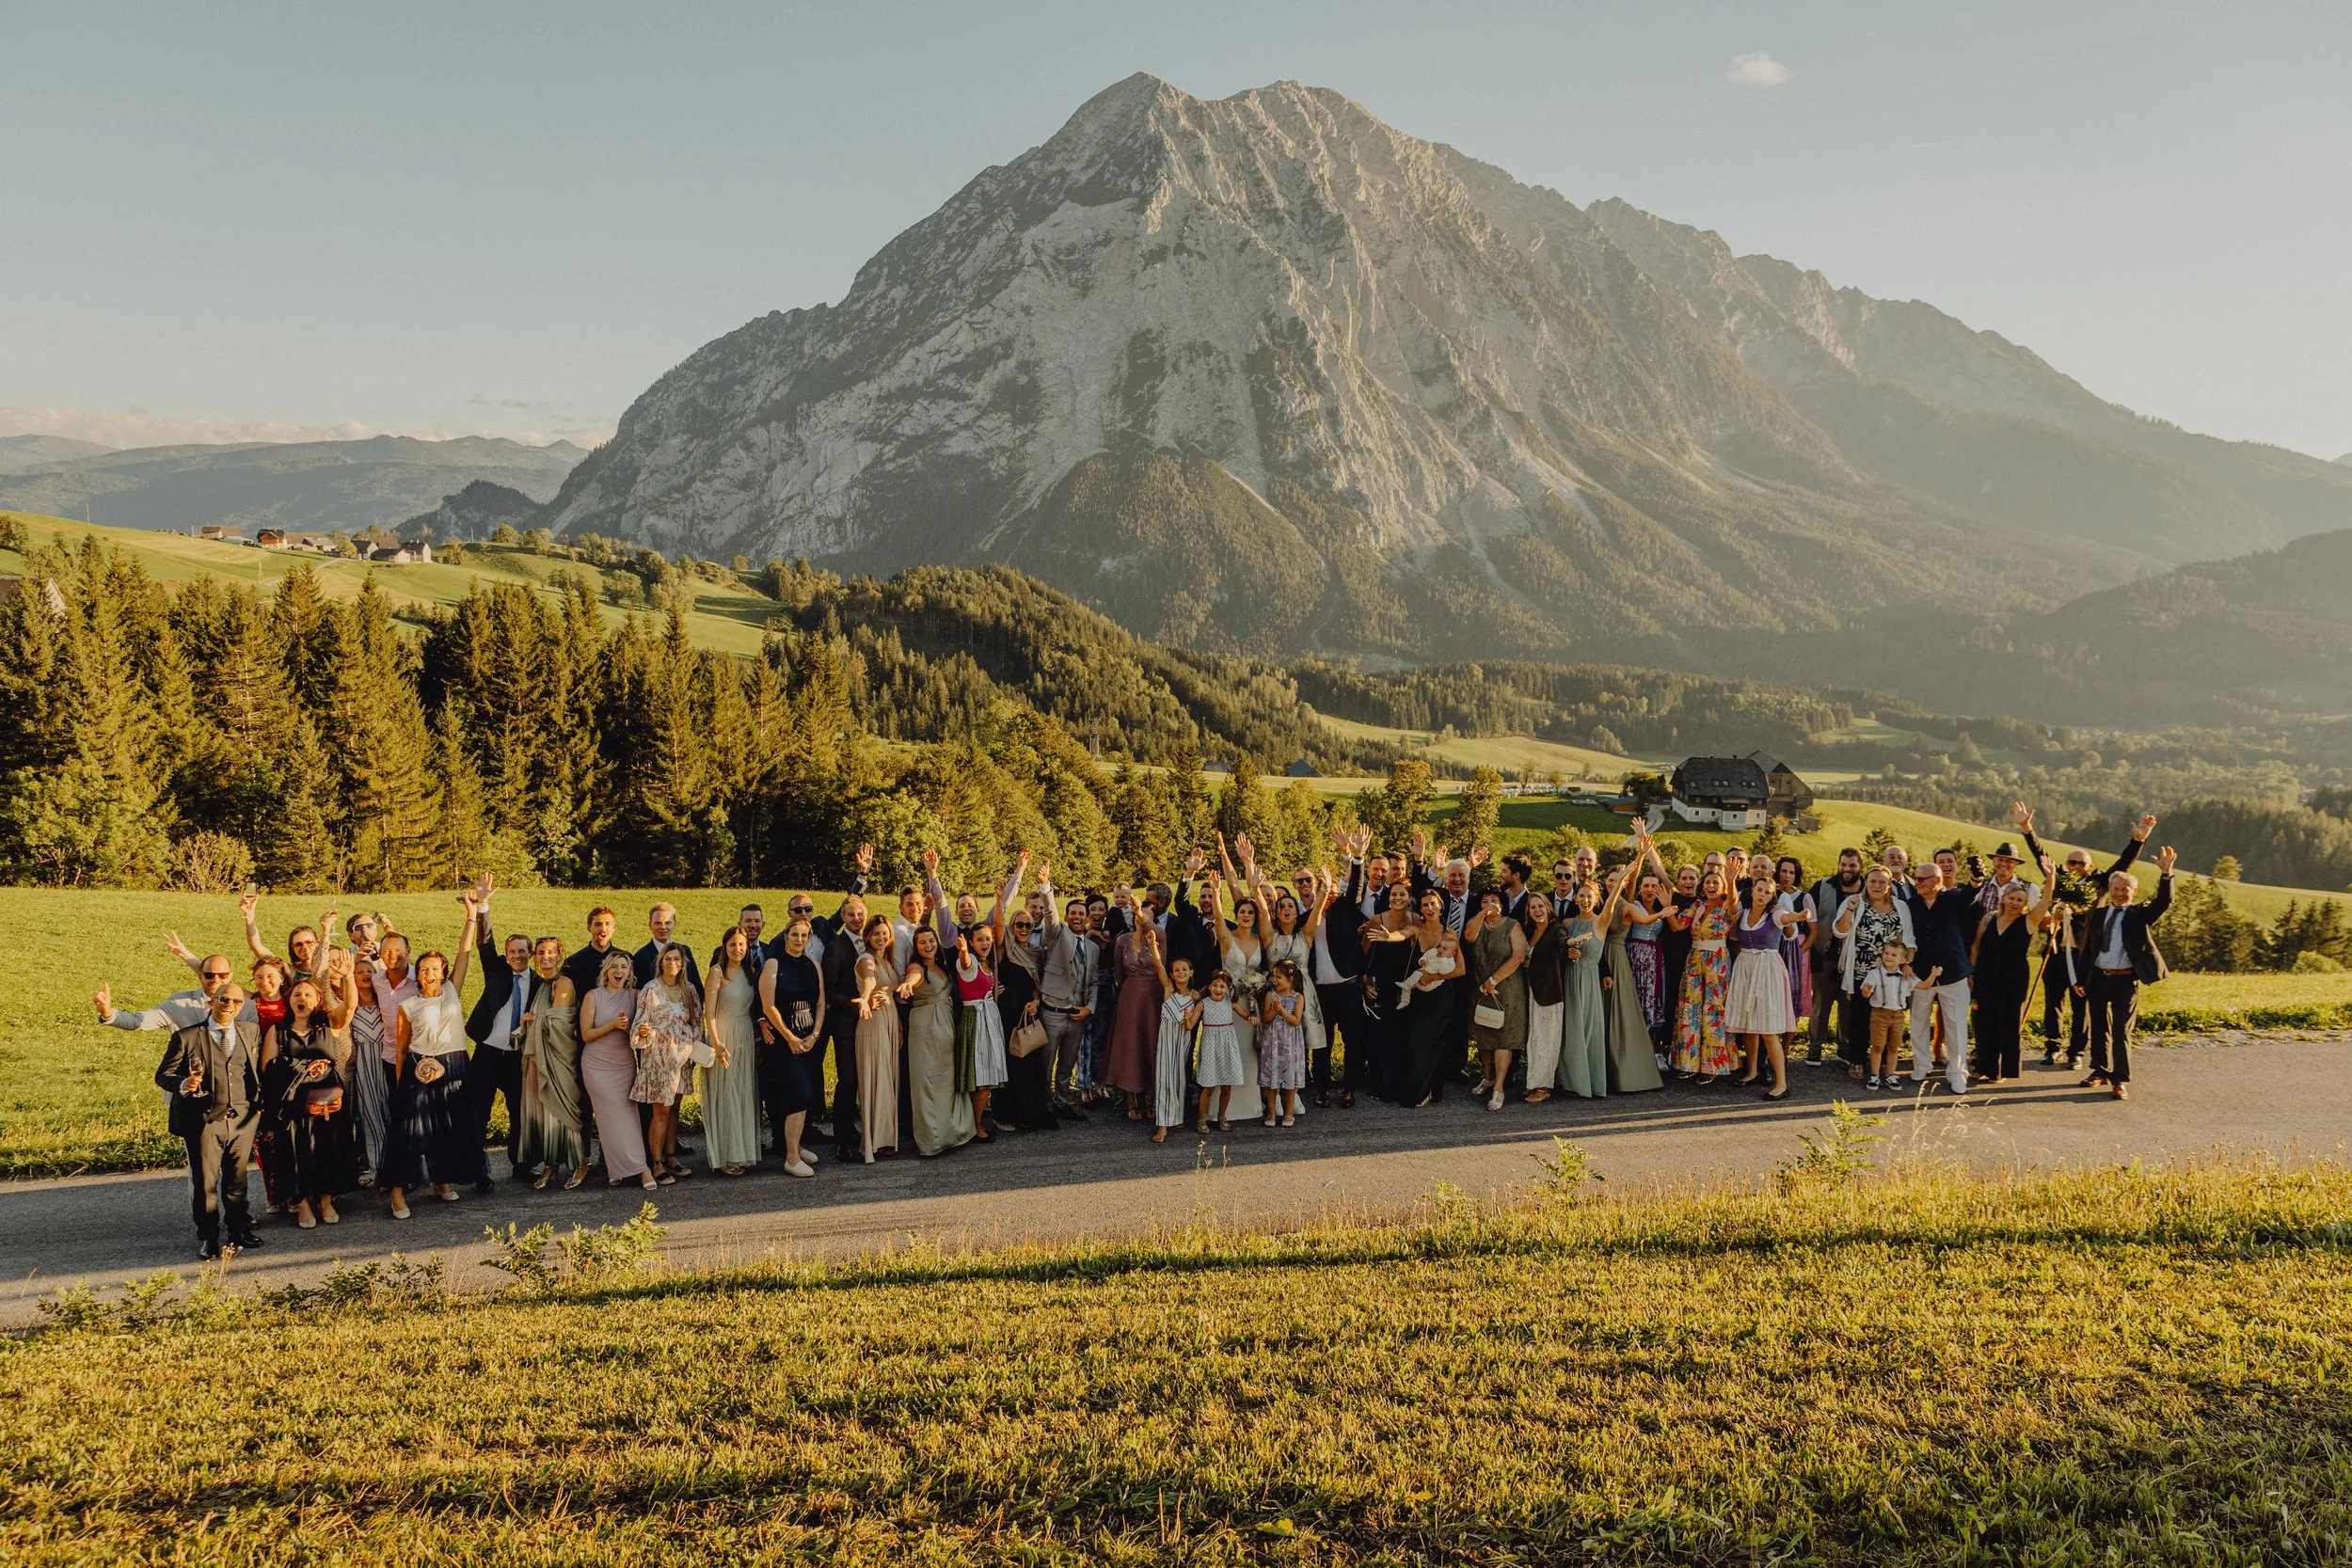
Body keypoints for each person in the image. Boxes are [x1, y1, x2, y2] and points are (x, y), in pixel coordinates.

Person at [2013, 803, 2153, 1069]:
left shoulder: (2099, 884)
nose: (2076, 866)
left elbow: (2123, 865)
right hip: (2055, 951)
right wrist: (2026, 828)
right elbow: (2039, 854)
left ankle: (2076, 1051)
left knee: (2081, 1005)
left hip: (2084, 954)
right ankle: (2052, 1046)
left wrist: (2138, 841)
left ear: (2090, 867)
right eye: (2071, 862)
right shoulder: (2059, 880)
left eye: (2081, 863)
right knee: (2053, 1002)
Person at [155, 981, 263, 1260]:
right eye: (224, 1000)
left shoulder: (250, 1032)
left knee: (237, 1179)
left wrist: (255, 1109)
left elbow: (249, 1072)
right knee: (205, 1182)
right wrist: (184, 1084)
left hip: (241, 1118)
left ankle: (239, 1229)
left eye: (237, 1002)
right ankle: (209, 1236)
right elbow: (162, 1075)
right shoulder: (187, 1037)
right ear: (212, 1002)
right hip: (203, 1120)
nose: (230, 1006)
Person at [389, 896, 482, 1219]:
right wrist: (402, 1083)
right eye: (424, 969)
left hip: (455, 1063)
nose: (430, 973)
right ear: (419, 974)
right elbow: (401, 1048)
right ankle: (398, 1193)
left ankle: (441, 1182)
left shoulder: (452, 991)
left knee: (448, 1127)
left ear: (444, 973)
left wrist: (471, 916)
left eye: (435, 968)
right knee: (412, 1130)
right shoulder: (409, 1006)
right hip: (420, 1068)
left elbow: (464, 953)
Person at [2078, 846, 2177, 1101]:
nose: (2120, 894)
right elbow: (2088, 948)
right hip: (2099, 977)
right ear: (2110, 890)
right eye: (2117, 889)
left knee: (2122, 1031)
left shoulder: (2139, 914)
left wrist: (2166, 874)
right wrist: (2080, 979)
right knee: (2099, 1027)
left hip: (2125, 979)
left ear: (2134, 893)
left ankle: (2119, 1079)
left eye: (2125, 890)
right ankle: (2099, 1070)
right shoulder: (2098, 914)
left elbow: (2164, 902)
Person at [259, 974, 358, 1227]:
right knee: (294, 1152)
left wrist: (347, 977)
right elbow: (267, 1067)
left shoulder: (327, 1025)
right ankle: (302, 1203)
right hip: (294, 1103)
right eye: (297, 995)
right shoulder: (278, 1032)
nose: (302, 999)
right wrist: (304, 1066)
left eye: (308, 995)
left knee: (328, 1150)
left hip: (327, 1102)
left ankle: (326, 1201)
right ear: (289, 1000)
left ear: (317, 1001)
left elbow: (349, 1007)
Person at [462, 874, 531, 1191]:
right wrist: (484, 905)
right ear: (507, 953)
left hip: (517, 1056)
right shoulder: (496, 968)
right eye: (513, 951)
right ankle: (478, 1171)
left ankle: (520, 1165)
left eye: (523, 951)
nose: (518, 956)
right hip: (487, 1052)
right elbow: (484, 941)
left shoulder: (540, 983)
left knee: (519, 1112)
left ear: (530, 954)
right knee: (478, 1113)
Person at [515, 936, 589, 1191]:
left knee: (562, 1108)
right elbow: (542, 1019)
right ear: (535, 957)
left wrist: (530, 1020)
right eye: (540, 952)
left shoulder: (563, 983)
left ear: (559, 955)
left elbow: (556, 1023)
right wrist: (531, 1019)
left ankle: (580, 1161)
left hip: (558, 1058)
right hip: (539, 1058)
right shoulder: (541, 985)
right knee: (544, 1111)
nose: (545, 956)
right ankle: (551, 1162)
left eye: (551, 952)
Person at [579, 950, 656, 1190]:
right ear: (606, 971)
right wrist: (612, 1025)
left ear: (629, 972)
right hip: (596, 1065)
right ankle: (638, 1169)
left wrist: (639, 1031)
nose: (618, 971)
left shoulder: (635, 996)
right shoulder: (593, 996)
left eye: (623, 967)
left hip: (624, 1063)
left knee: (627, 1116)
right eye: (614, 967)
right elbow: (586, 1035)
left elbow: (644, 1028)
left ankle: (626, 1168)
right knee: (608, 1118)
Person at [755, 916, 825, 1177]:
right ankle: (792, 1158)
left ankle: (795, 1145)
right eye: (794, 935)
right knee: (798, 1095)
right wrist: (790, 1038)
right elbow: (768, 1006)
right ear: (785, 937)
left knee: (806, 1096)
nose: (799, 940)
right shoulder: (773, 964)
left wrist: (815, 1034)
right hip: (785, 1041)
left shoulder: (813, 965)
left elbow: (820, 1003)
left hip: (809, 1038)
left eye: (803, 936)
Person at [630, 943, 703, 1185]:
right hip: (659, 1058)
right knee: (660, 1111)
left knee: (675, 1109)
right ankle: (657, 1162)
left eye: (677, 959)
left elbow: (696, 1022)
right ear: (661, 962)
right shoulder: (650, 990)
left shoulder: (689, 989)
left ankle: (671, 1156)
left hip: (681, 1059)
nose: (672, 963)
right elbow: (640, 1021)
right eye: (668, 958)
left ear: (682, 964)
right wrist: (642, 1032)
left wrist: (692, 1044)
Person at [1661, 858, 1739, 1084]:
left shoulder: (1727, 906)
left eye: (1716, 882)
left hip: (1717, 963)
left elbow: (1734, 906)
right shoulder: (1697, 906)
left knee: (1713, 1013)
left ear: (1723, 886)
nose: (1711, 886)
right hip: (1694, 962)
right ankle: (1690, 1062)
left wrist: (1732, 882)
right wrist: (1667, 908)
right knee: (1691, 1011)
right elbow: (1677, 926)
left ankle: (1712, 1065)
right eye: (1708, 883)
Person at [898, 925, 972, 1156]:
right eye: (922, 942)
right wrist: (907, 984)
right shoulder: (916, 967)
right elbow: (913, 978)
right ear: (916, 947)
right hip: (925, 1030)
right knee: (927, 1084)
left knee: (946, 1083)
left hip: (946, 1029)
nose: (928, 946)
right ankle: (932, 1141)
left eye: (931, 941)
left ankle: (953, 1133)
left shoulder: (942, 966)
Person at [1904, 864, 1979, 1096]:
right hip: (1921, 973)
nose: (1917, 883)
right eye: (1915, 879)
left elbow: (1971, 893)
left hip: (1953, 972)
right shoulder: (1911, 905)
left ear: (1936, 880)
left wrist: (1976, 878)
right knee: (1918, 1022)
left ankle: (1957, 1074)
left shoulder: (1952, 898)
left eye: (1922, 879)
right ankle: (1922, 1065)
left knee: (1956, 1026)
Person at [1725, 874, 1801, 1100]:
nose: (1762, 894)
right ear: (1753, 891)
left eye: (1767, 892)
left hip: (1767, 968)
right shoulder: (1744, 912)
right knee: (1749, 1026)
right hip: (1746, 966)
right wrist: (1730, 881)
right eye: (1760, 890)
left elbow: (1786, 919)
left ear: (1772, 896)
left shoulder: (1775, 913)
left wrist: (1798, 916)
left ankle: (1781, 1083)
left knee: (1768, 1030)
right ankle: (1752, 1071)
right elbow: (1731, 908)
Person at [1391, 890, 1464, 1108]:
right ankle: (1417, 1087)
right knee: (1415, 1043)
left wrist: (1435, 976)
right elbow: (1400, 935)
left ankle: (1428, 1091)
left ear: (1440, 906)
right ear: (1420, 909)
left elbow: (1460, 969)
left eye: (1433, 904)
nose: (1429, 908)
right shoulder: (1415, 929)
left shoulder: (1450, 934)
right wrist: (1387, 936)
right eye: (1425, 905)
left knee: (1432, 1044)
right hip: (1418, 997)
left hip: (1442, 998)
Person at [699, 926, 763, 1175]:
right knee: (726, 1094)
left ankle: (741, 1151)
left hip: (745, 1034)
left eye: (742, 945)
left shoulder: (750, 972)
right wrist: (715, 1041)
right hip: (723, 1034)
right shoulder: (717, 973)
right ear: (725, 947)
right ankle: (725, 1156)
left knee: (742, 1092)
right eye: (733, 945)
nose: (738, 949)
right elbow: (709, 1012)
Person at [1104, 885, 1166, 1124]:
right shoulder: (1123, 941)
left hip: (1154, 995)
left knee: (1151, 1044)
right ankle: (1131, 1101)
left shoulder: (1159, 937)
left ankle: (1150, 1100)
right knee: (1130, 1046)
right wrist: (1125, 993)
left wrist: (1140, 911)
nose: (1142, 921)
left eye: (1147, 917)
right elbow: (1119, 972)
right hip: (1129, 995)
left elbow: (1163, 966)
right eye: (1140, 917)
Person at [1464, 888, 1529, 1111]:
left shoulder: (1512, 925)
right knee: (1484, 1035)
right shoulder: (1476, 922)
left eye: (1494, 900)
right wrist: (1482, 915)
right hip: (1480, 987)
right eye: (1485, 901)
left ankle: (1499, 1087)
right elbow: (1469, 937)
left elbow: (1519, 956)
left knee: (1504, 1038)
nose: (1490, 904)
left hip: (1507, 987)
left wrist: (1494, 979)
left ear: (1503, 905)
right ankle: (1487, 1077)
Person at [1970, 879, 2040, 1085]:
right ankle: (1985, 1066)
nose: (2015, 903)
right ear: (2003, 898)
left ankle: (2002, 1070)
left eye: (2020, 900)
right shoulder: (1988, 919)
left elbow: (2045, 903)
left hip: (2013, 979)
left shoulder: (2027, 922)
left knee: (2008, 1024)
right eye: (2011, 898)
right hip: (1986, 975)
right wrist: (1971, 973)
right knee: (1985, 1022)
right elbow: (1975, 946)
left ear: (2025, 904)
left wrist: (2051, 879)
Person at [1804, 849, 1866, 1069]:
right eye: (1843, 864)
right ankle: (1815, 1047)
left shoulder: (1868, 890)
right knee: (1820, 1005)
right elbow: (1808, 916)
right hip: (1824, 955)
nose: (1847, 869)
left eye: (1852, 865)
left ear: (1860, 866)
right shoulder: (1823, 885)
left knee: (1847, 1004)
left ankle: (1844, 1047)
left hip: (1853, 959)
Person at [1140, 927, 1199, 1144]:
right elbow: (1157, 965)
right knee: (1165, 1079)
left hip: (1182, 1040)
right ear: (1172, 974)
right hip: (1166, 1042)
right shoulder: (1168, 990)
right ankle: (1163, 1126)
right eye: (1177, 970)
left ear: (1191, 972)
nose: (1181, 972)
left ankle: (1177, 1117)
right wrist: (1153, 945)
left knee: (1179, 1080)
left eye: (1185, 969)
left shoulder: (1195, 996)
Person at [852, 916, 904, 1162]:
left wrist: (900, 1025)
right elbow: (870, 978)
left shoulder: (888, 958)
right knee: (878, 1078)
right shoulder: (866, 959)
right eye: (876, 934)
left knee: (889, 1077)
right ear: (867, 937)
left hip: (890, 1019)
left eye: (884, 933)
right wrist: (865, 996)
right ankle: (876, 1139)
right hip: (872, 1020)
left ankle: (887, 1134)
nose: (881, 938)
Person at [954, 920, 1009, 1139]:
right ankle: (976, 1126)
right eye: (979, 940)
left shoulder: (987, 963)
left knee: (984, 1076)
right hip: (975, 1020)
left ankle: (974, 1123)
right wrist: (963, 952)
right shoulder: (970, 962)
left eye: (987, 939)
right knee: (980, 1076)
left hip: (987, 1018)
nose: (985, 943)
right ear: (971, 942)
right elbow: (965, 964)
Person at [1555, 880, 1607, 1099]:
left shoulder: (1601, 922)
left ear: (1596, 899)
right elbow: (1557, 945)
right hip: (1569, 978)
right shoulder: (1567, 923)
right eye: (1581, 896)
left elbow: (1612, 904)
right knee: (1570, 1029)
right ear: (1575, 897)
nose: (1585, 900)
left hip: (1589, 979)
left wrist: (1623, 877)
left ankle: (1590, 1083)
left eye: (1589, 896)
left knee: (1588, 1028)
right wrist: (1566, 952)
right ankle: (1569, 1082)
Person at [1518, 887, 1565, 1102]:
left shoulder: (1557, 930)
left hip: (1549, 992)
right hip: (1530, 991)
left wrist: (1572, 945)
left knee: (1547, 1039)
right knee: (1534, 1039)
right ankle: (1533, 1082)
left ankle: (1544, 1087)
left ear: (1548, 908)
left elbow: (1564, 944)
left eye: (1540, 906)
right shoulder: (1530, 932)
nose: (1537, 910)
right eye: (1532, 907)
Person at [1858, 941, 1921, 1090]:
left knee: (1894, 1046)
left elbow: (1923, 986)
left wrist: (1934, 975)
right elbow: (1865, 994)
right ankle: (1874, 1075)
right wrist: (1867, 991)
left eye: (1894, 955)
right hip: (1879, 1013)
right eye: (1886, 953)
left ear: (1903, 960)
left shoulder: (1906, 975)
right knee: (1878, 1045)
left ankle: (1890, 1073)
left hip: (1898, 1015)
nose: (1889, 957)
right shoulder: (1874, 974)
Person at [1192, 968, 1248, 1132]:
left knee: (1226, 1086)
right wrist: (1187, 1018)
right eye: (1215, 985)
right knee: (1208, 1087)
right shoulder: (1203, 1004)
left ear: (1228, 989)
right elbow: (1191, 1024)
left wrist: (1251, 1016)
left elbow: (1245, 1015)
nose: (1218, 989)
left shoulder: (1230, 1003)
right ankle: (1201, 1119)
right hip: (1210, 1048)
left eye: (1222, 986)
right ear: (1209, 986)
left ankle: (1222, 1117)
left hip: (1227, 1047)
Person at [1259, 959, 1309, 1126]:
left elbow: (1295, 1020)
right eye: (1274, 976)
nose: (1275, 980)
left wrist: (1281, 1011)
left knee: (1289, 1077)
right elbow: (1265, 1019)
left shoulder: (1298, 997)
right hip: (1272, 1042)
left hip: (1290, 1043)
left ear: (1290, 979)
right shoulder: (1270, 995)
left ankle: (1288, 1113)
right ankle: (1271, 1113)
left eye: (1279, 977)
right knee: (1272, 1078)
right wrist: (1273, 1010)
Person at [631, 901, 704, 992]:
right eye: (658, 923)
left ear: (674, 924)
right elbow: (640, 993)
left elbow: (697, 986)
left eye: (668, 923)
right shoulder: (641, 956)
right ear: (650, 925)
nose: (663, 927)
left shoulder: (685, 951)